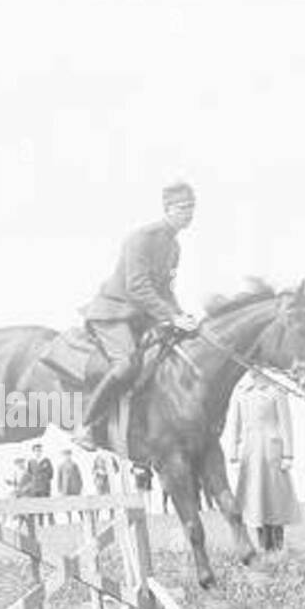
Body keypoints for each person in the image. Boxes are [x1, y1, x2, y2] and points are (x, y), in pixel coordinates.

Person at [73, 182, 200, 452]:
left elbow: (165, 290)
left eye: (191, 207)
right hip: (113, 312)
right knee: (126, 365)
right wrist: (171, 316)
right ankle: (85, 425)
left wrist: (181, 316)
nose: (188, 213)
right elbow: (138, 286)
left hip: (141, 315)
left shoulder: (174, 247)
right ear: (167, 209)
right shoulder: (141, 237)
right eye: (182, 208)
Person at [229, 370, 301, 555]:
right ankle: (263, 545)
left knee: (275, 499)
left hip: (272, 451)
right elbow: (235, 425)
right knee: (255, 501)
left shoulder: (276, 391)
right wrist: (234, 454)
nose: (253, 369)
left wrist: (288, 454)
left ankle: (277, 545)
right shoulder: (241, 391)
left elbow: (286, 425)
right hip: (250, 453)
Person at [26, 443, 55, 526]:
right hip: (35, 487)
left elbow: (51, 473)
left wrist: (45, 479)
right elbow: (29, 474)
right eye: (36, 451)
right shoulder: (31, 462)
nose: (38, 452)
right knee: (38, 505)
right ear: (33, 452)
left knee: (48, 504)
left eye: (39, 451)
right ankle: (40, 523)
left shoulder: (46, 460)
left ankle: (51, 522)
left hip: (45, 486)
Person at [56, 448, 84, 523]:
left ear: (70, 456)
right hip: (66, 488)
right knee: (67, 505)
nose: (67, 457)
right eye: (65, 455)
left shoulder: (74, 465)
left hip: (75, 487)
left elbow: (79, 476)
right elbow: (59, 478)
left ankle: (82, 518)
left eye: (68, 455)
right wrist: (59, 489)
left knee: (78, 504)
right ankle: (69, 519)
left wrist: (80, 486)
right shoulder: (61, 466)